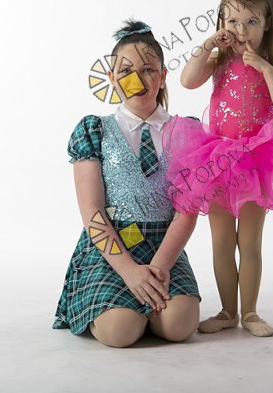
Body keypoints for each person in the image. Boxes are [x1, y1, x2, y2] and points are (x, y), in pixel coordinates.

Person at [161, 0, 273, 337]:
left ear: (268, 24)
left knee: (248, 242)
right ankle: (227, 311)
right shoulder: (218, 60)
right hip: (217, 161)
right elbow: (187, 80)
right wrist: (208, 46)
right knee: (221, 241)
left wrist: (265, 67)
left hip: (255, 161)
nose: (241, 29)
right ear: (221, 21)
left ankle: (250, 312)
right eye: (232, 20)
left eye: (251, 21)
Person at [53, 20, 201, 348]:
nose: (137, 79)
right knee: (120, 330)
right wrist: (130, 272)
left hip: (165, 246)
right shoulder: (95, 130)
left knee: (179, 325)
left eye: (148, 70)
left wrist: (158, 268)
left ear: (163, 76)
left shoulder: (186, 132)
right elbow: (92, 213)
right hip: (113, 246)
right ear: (111, 77)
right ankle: (126, 308)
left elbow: (187, 212)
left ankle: (147, 307)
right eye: (125, 70)